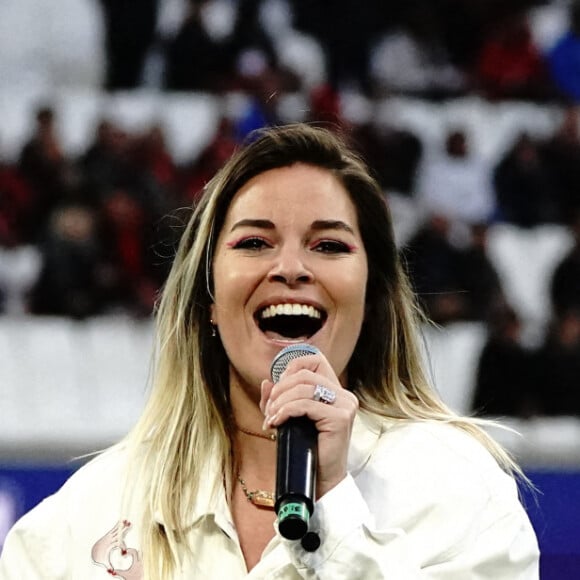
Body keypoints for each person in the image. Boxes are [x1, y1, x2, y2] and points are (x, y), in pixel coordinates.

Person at [0, 124, 539, 578]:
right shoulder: (83, 516)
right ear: (208, 297)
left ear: (372, 297)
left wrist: (334, 509)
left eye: (329, 245)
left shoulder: (459, 491)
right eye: (254, 242)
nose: (290, 268)